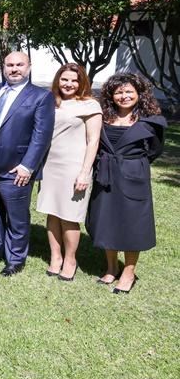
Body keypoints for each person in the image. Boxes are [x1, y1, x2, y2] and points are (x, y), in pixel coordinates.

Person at [0, 51, 55, 277]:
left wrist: (28, 166)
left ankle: (15, 258)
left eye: (20, 64)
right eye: (9, 65)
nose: (14, 69)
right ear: (3, 67)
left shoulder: (40, 96)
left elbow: (42, 135)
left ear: (29, 67)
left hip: (15, 168)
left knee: (16, 216)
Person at [87, 73, 166, 294]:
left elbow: (155, 150)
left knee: (133, 224)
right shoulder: (103, 117)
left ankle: (129, 272)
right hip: (105, 174)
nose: (124, 96)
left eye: (129, 91)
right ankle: (111, 268)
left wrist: (132, 165)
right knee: (105, 221)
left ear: (139, 94)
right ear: (111, 95)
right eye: (119, 92)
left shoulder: (151, 121)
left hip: (133, 175)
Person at [36, 63, 101, 280]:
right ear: (58, 80)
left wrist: (84, 172)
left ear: (82, 82)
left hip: (73, 167)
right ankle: (55, 257)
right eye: (64, 79)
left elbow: (93, 141)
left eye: (74, 80)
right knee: (52, 212)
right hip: (50, 165)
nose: (69, 84)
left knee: (69, 216)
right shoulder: (51, 102)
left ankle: (70, 259)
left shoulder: (90, 105)